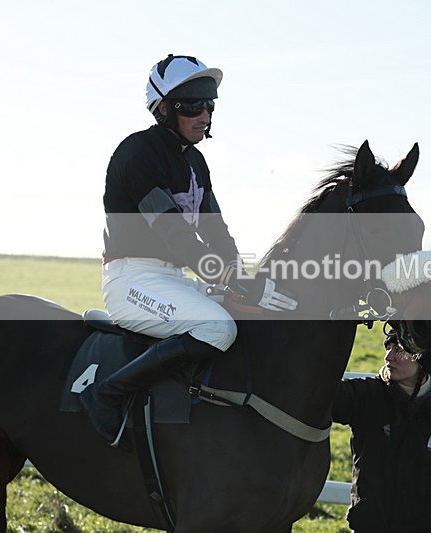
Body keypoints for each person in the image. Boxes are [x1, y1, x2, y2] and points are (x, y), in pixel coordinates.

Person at [80, 54, 297, 448]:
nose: (205, 115)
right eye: (193, 105)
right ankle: (108, 394)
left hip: (173, 280)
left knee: (246, 316)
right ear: (162, 108)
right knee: (217, 327)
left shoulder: (196, 161)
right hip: (131, 281)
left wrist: (244, 278)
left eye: (210, 104)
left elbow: (217, 232)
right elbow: (175, 236)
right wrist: (235, 280)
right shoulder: (136, 153)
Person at [332, 328, 431, 533]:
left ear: (422, 358)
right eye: (388, 347)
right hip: (369, 526)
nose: (388, 356)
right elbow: (318, 398)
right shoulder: (365, 396)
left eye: (399, 350)